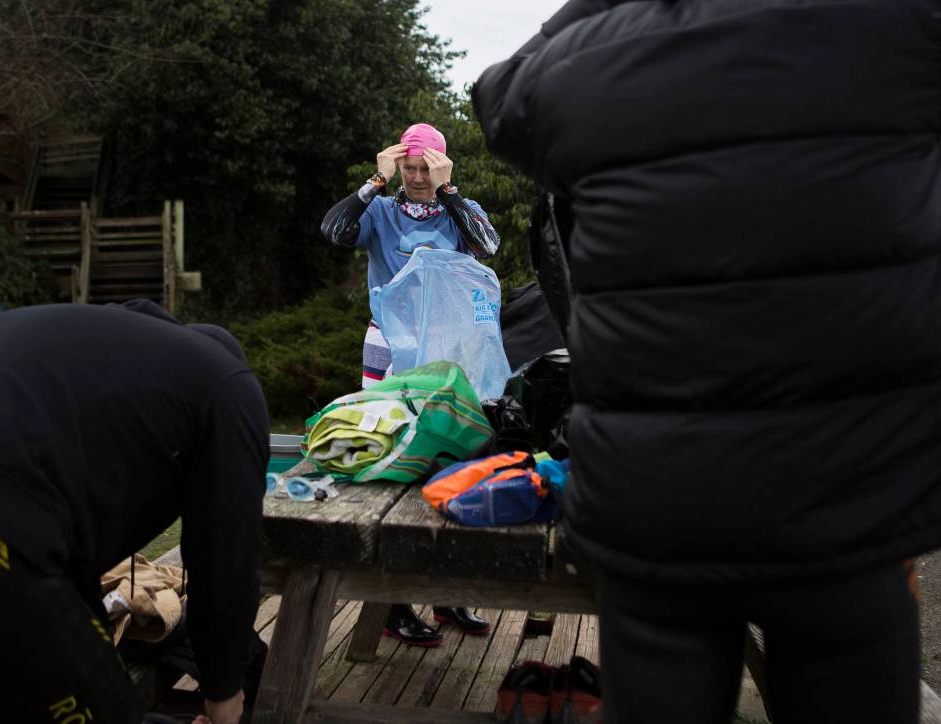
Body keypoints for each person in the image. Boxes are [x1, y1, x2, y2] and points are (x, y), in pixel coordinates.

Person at [473, 1, 941, 722]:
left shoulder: (583, 65)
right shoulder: (891, 25)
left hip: (654, 519)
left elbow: (497, 100)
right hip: (848, 505)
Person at [0, 300, 269, 724]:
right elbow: (225, 557)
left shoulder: (83, 358)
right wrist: (224, 692)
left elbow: (69, 570)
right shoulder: (225, 384)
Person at [320, 123, 500, 646]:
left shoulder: (459, 209)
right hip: (389, 352)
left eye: (428, 168)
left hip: (447, 355)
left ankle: (447, 595)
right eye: (410, 167)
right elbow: (332, 232)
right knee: (391, 462)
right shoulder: (379, 209)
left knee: (451, 464)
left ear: (443, 167)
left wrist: (450, 192)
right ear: (398, 165)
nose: (418, 178)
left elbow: (487, 245)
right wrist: (373, 181)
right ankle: (392, 606)